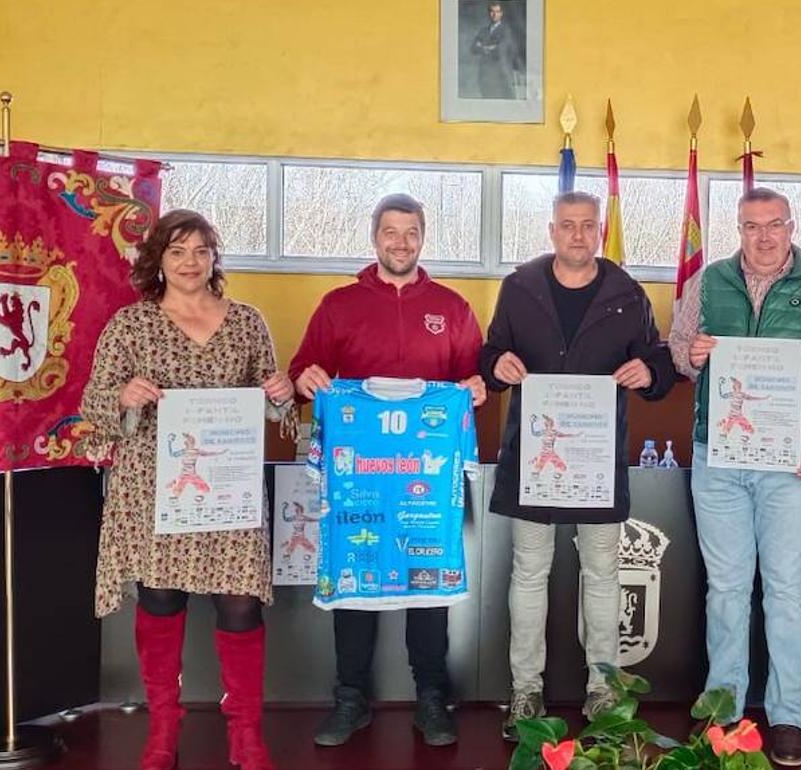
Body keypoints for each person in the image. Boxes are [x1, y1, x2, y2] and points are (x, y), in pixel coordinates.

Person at [81, 209, 295, 770]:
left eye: (201, 251)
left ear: (213, 258)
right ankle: (163, 731)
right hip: (153, 487)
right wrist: (123, 397)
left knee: (242, 605)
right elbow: (93, 403)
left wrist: (280, 393)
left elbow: (275, 407)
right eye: (177, 251)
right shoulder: (131, 324)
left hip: (229, 488)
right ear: (158, 260)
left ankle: (246, 732)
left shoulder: (247, 322)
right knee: (159, 599)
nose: (190, 262)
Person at [288, 193, 485, 748]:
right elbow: (305, 368)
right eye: (390, 232)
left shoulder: (451, 306)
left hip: (424, 479)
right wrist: (306, 379)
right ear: (374, 237)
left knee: (428, 587)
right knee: (353, 587)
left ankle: (432, 696)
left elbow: (474, 378)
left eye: (411, 232)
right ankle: (350, 697)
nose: (401, 242)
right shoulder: (338, 304)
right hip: (360, 478)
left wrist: (477, 387)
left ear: (423, 238)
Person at [668, 186, 801, 767]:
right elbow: (676, 346)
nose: (764, 236)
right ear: (739, 230)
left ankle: (787, 717)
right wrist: (690, 355)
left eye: (774, 224)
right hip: (717, 460)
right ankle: (724, 711)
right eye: (752, 226)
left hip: (789, 464)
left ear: (791, 226)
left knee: (786, 592)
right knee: (724, 590)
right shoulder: (709, 280)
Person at [480, 190, 674, 740]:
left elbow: (658, 361)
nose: (579, 235)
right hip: (533, 458)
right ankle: (524, 689)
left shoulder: (626, 292)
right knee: (529, 573)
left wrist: (648, 371)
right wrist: (499, 363)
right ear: (552, 231)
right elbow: (488, 355)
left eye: (589, 226)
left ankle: (603, 687)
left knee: (604, 575)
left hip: (597, 461)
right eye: (569, 226)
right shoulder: (519, 289)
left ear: (599, 231)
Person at [470, 1, 519, 98]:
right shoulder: (483, 31)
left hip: (500, 74)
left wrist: (482, 47)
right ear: (489, 13)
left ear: (501, 13)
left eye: (497, 11)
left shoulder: (506, 30)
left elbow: (500, 49)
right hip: (485, 74)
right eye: (492, 11)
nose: (494, 14)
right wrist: (488, 47)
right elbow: (473, 48)